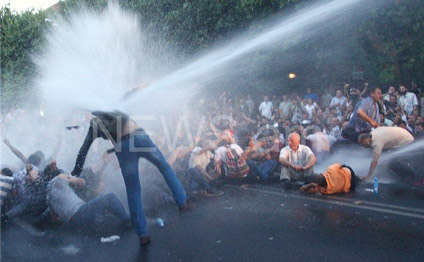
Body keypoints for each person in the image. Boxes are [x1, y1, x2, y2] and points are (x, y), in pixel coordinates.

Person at [71, 110, 191, 247]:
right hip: (139, 137)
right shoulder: (113, 106)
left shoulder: (94, 124)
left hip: (123, 148)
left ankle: (142, 234)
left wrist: (76, 170)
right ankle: (182, 202)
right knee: (164, 167)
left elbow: (84, 149)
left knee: (133, 189)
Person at [46, 174, 131, 230]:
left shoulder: (48, 195)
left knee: (103, 211)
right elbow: (81, 181)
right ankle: (129, 220)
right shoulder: (59, 177)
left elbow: (54, 219)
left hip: (74, 223)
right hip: (79, 213)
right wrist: (76, 179)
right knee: (109, 197)